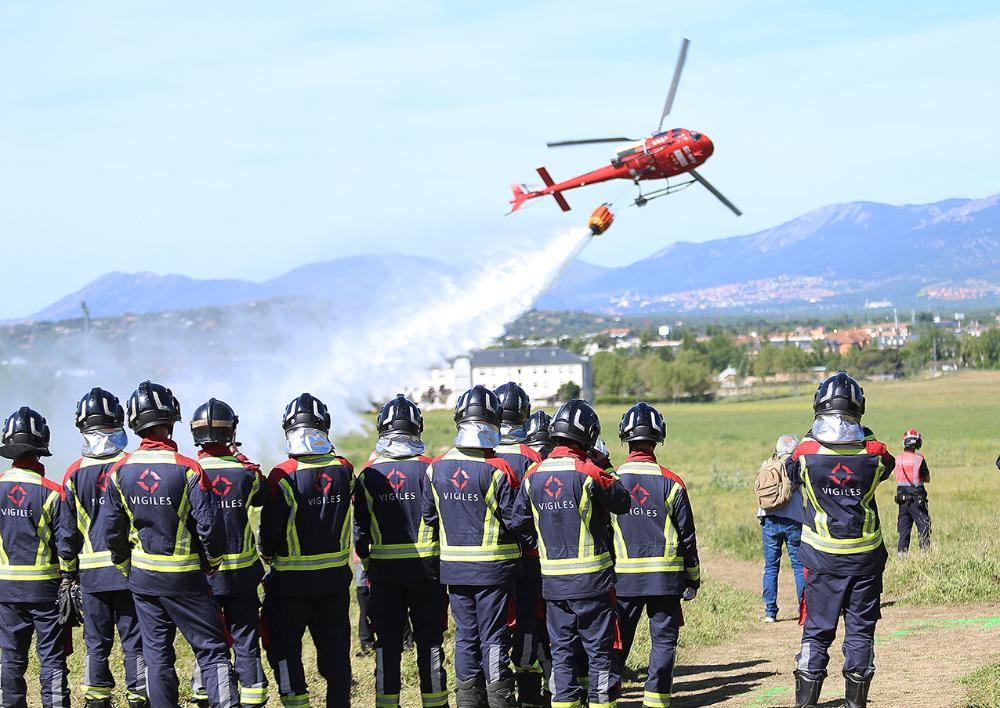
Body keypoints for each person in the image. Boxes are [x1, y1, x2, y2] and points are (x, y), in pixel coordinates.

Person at [102, 381, 239, 707]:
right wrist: (213, 561)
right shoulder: (188, 468)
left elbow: (112, 529)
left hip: (144, 579)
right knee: (212, 650)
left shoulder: (119, 471)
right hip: (186, 578)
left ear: (135, 423)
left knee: (156, 654)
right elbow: (209, 525)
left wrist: (125, 566)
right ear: (172, 419)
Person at [512, 399, 631, 708]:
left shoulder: (532, 475)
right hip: (593, 583)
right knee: (599, 652)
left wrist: (540, 547)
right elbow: (622, 502)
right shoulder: (591, 472)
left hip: (553, 584)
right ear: (588, 435)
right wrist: (605, 465)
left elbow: (517, 523)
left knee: (561, 650)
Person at [786, 372, 894, 708]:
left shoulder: (805, 453)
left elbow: (791, 470)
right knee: (861, 632)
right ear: (859, 408)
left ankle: (806, 703)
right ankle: (855, 703)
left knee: (817, 632)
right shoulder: (874, 452)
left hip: (821, 558)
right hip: (865, 559)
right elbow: (885, 461)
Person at [422, 385, 522, 708]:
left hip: (453, 571)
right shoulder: (499, 468)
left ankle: (468, 702)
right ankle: (500, 701)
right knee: (493, 639)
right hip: (492, 571)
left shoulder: (435, 467)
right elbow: (515, 520)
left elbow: (429, 517)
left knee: (465, 638)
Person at [260, 392, 355, 707]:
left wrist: (267, 552)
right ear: (324, 425)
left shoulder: (282, 474)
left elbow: (271, 532)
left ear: (288, 427)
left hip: (289, 582)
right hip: (334, 580)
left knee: (284, 651)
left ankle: (296, 702)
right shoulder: (344, 468)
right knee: (336, 653)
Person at [355, 394, 448, 708]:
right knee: (431, 642)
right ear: (418, 427)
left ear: (382, 428)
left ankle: (386, 703)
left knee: (387, 644)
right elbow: (438, 519)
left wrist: (368, 564)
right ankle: (435, 702)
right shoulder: (430, 469)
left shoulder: (368, 474)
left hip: (383, 573)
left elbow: (360, 533)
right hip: (427, 570)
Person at [60, 388, 149, 707]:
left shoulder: (73, 473)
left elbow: (67, 533)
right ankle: (139, 695)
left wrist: (68, 573)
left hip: (90, 575)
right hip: (130, 571)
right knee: (134, 640)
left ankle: (97, 698)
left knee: (96, 643)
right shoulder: (131, 466)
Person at [612, 402, 700, 708]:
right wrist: (693, 577)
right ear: (659, 436)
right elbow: (687, 536)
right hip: (665, 579)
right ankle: (656, 702)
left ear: (625, 436)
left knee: (616, 642)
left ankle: (607, 697)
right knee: (663, 642)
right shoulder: (672, 482)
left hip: (623, 579)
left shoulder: (612, 479)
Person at [187, 398, 269, 708]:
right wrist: (240, 455)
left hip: (204, 575)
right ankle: (253, 698)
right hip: (243, 574)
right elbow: (261, 494)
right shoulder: (246, 473)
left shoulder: (190, 472)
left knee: (208, 642)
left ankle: (205, 692)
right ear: (231, 432)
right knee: (247, 639)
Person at [0, 407, 72, 708]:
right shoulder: (53, 493)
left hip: (6, 589)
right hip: (45, 590)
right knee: (52, 658)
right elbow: (65, 543)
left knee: (11, 656)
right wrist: (69, 577)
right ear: (42, 446)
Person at [492, 383, 547, 708]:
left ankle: (495, 692)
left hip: (488, 559)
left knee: (493, 626)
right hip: (528, 557)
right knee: (528, 621)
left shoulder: (481, 453)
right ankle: (528, 692)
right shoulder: (532, 456)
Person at [758, 434, 805, 622]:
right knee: (799, 566)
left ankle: (770, 612)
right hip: (793, 519)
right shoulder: (797, 465)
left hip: (768, 518)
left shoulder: (766, 463)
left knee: (770, 566)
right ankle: (803, 608)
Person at [893, 428, 931, 557]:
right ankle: (924, 556)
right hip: (918, 501)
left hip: (902, 501)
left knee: (904, 531)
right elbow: (927, 478)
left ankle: (901, 558)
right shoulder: (919, 459)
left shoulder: (897, 459)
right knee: (924, 527)